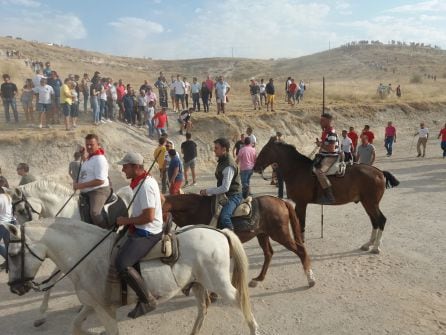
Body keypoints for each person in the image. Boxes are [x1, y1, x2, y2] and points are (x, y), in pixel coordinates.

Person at [115, 152, 162, 319]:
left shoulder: (146, 186)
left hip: (148, 231)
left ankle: (147, 300)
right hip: (141, 226)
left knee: (121, 263)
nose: (122, 169)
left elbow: (148, 217)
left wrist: (125, 221)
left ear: (136, 167)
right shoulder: (140, 183)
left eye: (125, 166)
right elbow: (160, 200)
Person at [200, 138, 242, 230]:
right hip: (226, 194)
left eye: (216, 148)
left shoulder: (229, 165)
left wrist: (207, 191)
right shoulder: (223, 160)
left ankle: (232, 239)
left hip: (234, 195)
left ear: (224, 149)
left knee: (224, 217)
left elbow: (225, 187)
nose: (214, 150)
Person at [74, 134, 110, 228]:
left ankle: (106, 232)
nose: (89, 147)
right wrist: (82, 154)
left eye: (91, 144)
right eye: (87, 145)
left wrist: (80, 186)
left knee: (95, 213)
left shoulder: (100, 159)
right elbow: (87, 162)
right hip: (86, 190)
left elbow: (100, 181)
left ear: (98, 145)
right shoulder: (91, 157)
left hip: (98, 190)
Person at [313, 112, 339, 204]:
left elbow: (331, 149)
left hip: (331, 157)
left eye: (322, 120)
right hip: (324, 155)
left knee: (319, 172)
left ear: (328, 121)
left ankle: (330, 196)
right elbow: (326, 145)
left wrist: (320, 144)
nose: (320, 122)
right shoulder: (326, 132)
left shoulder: (331, 133)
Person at [0, 176, 15, 270]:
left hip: (1, 224)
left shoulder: (0, 198)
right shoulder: (8, 196)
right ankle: (11, 262)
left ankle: (10, 261)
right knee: (8, 245)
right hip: (10, 222)